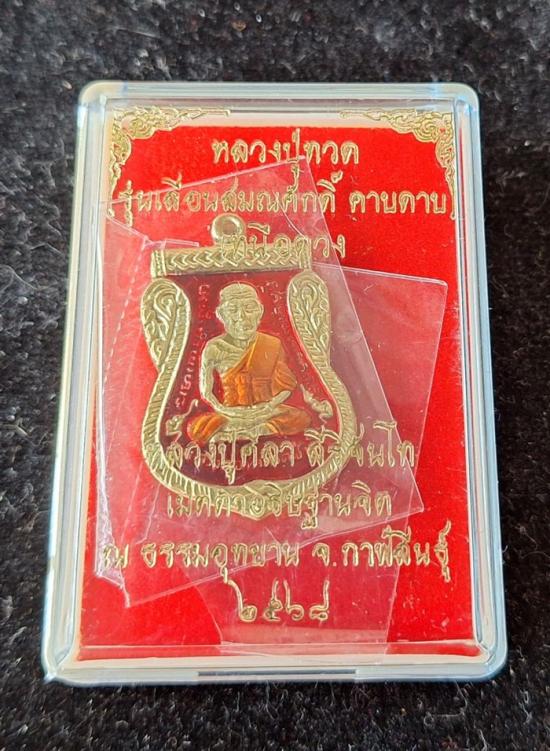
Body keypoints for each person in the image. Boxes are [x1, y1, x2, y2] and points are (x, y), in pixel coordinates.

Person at [188, 282, 310, 444]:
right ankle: (252, 431)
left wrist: (269, 406)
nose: (242, 317)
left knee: (300, 417)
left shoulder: (271, 344)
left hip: (264, 411)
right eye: (233, 310)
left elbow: (286, 386)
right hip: (230, 413)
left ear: (260, 311)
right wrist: (223, 409)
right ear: (221, 314)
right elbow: (206, 392)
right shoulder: (214, 348)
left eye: (249, 308)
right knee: (199, 428)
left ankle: (249, 431)